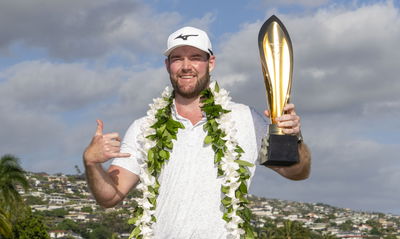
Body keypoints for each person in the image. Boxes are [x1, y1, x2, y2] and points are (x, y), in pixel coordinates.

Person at [83, 26, 311, 238]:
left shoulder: (245, 118)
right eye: (177, 58)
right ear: (167, 65)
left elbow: (296, 172)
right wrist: (92, 164)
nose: (185, 66)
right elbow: (110, 196)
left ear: (210, 63)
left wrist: (293, 138)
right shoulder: (144, 127)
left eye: (195, 57)